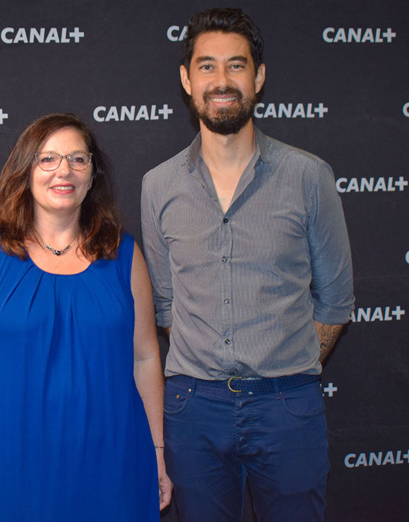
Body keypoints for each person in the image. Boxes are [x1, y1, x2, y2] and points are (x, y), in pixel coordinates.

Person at [140, 8, 354, 522]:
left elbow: (336, 300)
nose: (222, 81)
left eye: (236, 66)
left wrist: (288, 367)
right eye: (207, 66)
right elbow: (165, 305)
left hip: (288, 406)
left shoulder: (309, 176)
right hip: (194, 410)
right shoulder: (159, 185)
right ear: (187, 80)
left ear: (258, 77)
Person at [0, 113, 172, 521]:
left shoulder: (124, 255)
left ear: (93, 174)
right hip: (8, 469)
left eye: (78, 160)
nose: (64, 170)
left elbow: (146, 358)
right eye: (48, 159)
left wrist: (158, 456)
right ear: (25, 171)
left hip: (113, 466)